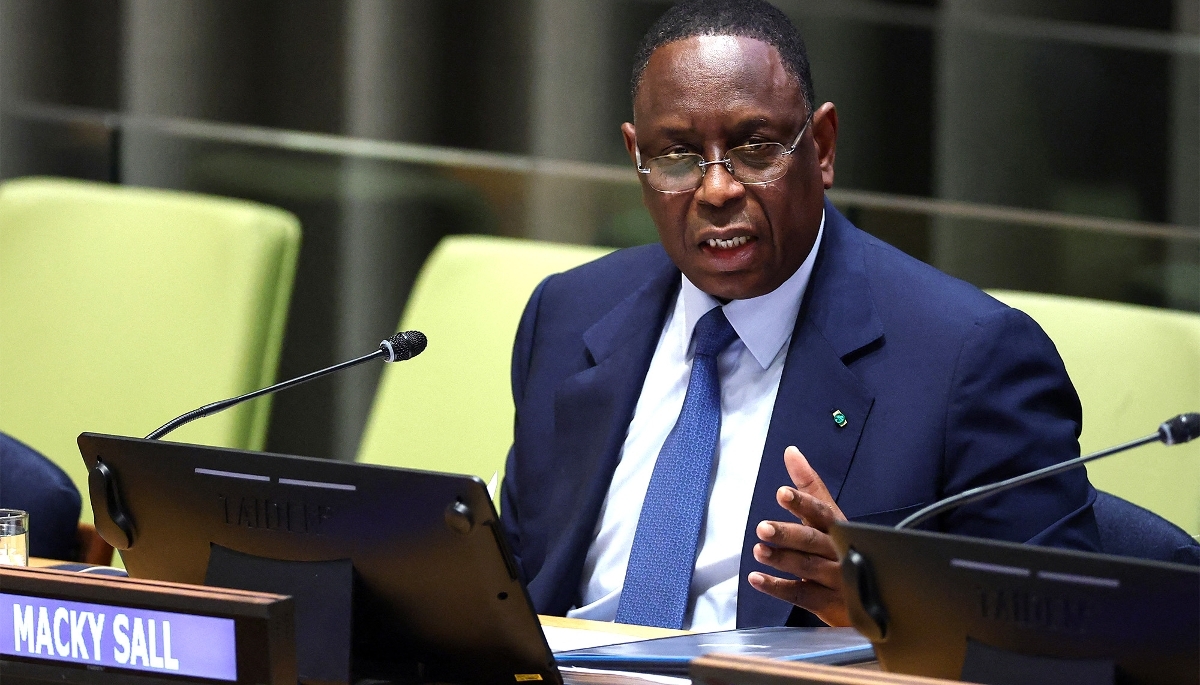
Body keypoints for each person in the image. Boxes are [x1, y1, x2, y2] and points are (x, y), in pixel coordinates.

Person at [500, 0, 1099, 632]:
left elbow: (1059, 636)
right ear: (637, 158)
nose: (717, 190)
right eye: (677, 157)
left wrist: (885, 613)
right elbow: (517, 574)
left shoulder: (970, 358)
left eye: (755, 149)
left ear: (822, 146)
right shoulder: (567, 315)